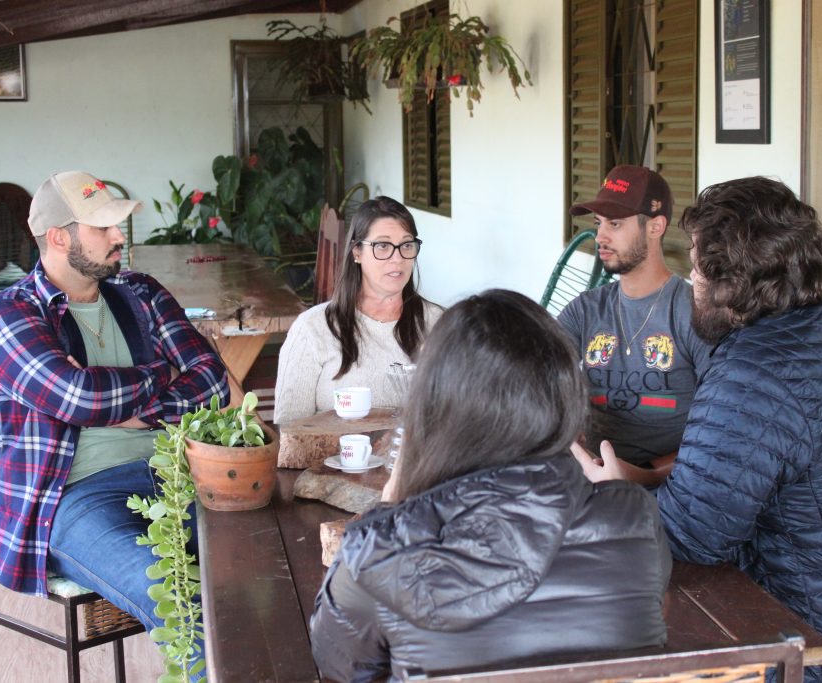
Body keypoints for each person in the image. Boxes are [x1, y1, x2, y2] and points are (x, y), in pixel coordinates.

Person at [573, 176, 822, 682]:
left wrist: (615, 493)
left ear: (732, 280)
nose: (691, 281)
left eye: (698, 268)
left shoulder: (756, 374)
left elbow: (685, 538)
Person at [310, 289, 671, 682]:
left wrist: (389, 509)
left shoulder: (379, 550)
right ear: (562, 396)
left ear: (435, 408)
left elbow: (338, 666)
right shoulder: (634, 519)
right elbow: (649, 626)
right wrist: (622, 502)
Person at [0, 171, 229, 635]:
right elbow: (78, 396)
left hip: (177, 476)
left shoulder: (141, 293)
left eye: (117, 225)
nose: (118, 237)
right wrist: (160, 373)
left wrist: (137, 410)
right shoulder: (6, 315)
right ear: (57, 237)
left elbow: (212, 382)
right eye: (102, 228)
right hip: (75, 500)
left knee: (267, 567)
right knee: (182, 605)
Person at [558, 165, 711, 486]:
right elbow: (532, 373)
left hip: (670, 483)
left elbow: (723, 425)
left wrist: (649, 474)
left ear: (655, 227)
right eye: (599, 224)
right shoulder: (585, 310)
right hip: (587, 474)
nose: (600, 236)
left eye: (615, 224)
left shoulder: (693, 311)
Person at [273, 196, 442, 423]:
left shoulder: (439, 325)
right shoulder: (312, 329)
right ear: (357, 252)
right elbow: (290, 430)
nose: (397, 258)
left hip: (414, 458)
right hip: (330, 458)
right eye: (382, 246)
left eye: (406, 245)